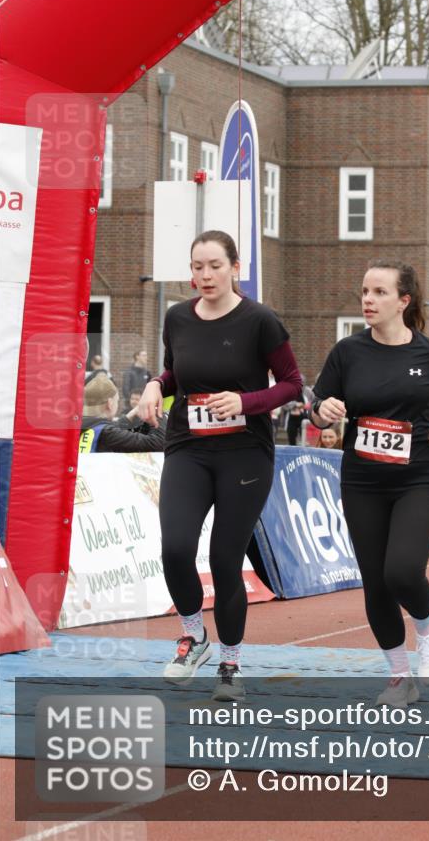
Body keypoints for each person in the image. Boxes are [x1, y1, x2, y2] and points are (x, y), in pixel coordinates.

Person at [137, 230, 302, 700]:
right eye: (197, 267)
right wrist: (155, 384)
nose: (205, 275)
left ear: (235, 266)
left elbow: (292, 383)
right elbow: (177, 371)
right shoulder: (177, 318)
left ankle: (230, 663)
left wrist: (247, 401)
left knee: (226, 561)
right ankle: (195, 637)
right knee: (175, 547)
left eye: (214, 265)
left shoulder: (260, 321)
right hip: (188, 447)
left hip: (244, 454)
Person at [311, 259, 429, 706]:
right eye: (365, 291)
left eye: (379, 292)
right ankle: (400, 676)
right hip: (363, 478)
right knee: (375, 583)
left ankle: (427, 628)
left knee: (401, 570)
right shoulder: (347, 352)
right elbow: (317, 400)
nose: (368, 299)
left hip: (420, 475)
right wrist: (322, 410)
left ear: (403, 301)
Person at [79, 375, 165, 453]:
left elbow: (107, 428)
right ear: (110, 403)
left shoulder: (76, 425)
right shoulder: (108, 434)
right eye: (117, 400)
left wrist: (128, 417)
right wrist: (156, 412)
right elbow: (157, 443)